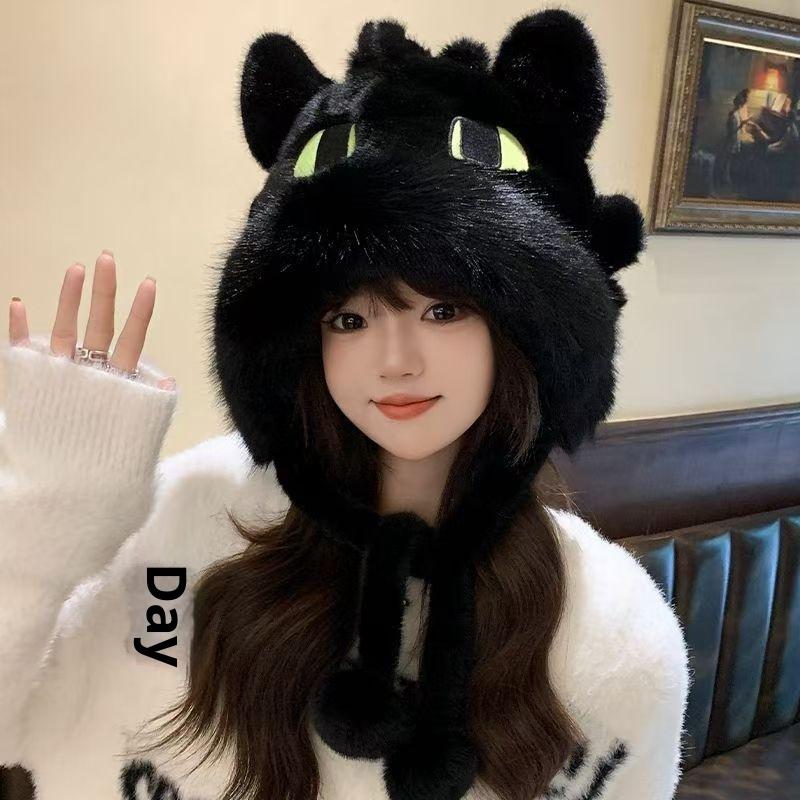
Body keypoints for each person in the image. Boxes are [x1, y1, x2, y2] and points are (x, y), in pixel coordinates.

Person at [0, 10, 690, 800]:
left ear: (521, 328)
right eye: (349, 320)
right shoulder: (192, 516)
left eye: (443, 310)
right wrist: (51, 515)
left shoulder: (613, 635)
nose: (395, 361)